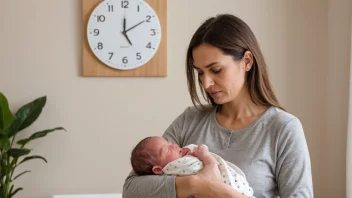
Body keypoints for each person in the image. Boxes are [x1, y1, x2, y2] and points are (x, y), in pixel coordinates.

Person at [123, 13, 313, 198]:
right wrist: (196, 185)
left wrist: (222, 193)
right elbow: (132, 189)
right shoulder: (190, 119)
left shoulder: (283, 128)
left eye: (216, 70)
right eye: (200, 73)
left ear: (247, 61)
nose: (206, 84)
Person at [129, 136, 254, 197]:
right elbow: (131, 188)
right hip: (237, 187)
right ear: (157, 169)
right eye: (166, 150)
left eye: (170, 143)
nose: (173, 146)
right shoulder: (176, 166)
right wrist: (205, 156)